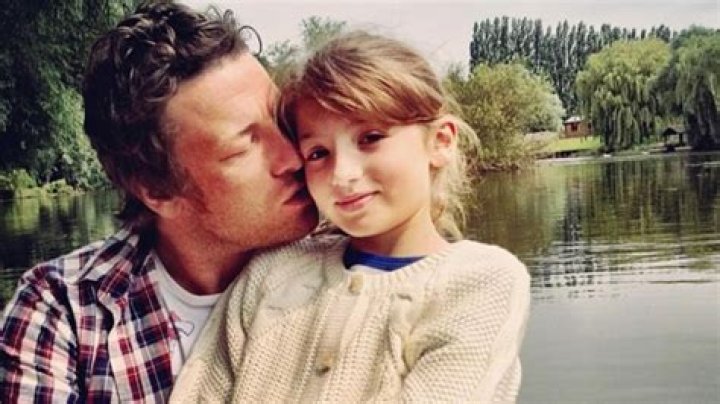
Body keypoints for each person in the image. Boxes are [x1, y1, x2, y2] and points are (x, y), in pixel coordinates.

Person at [170, 31, 531, 403]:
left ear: (441, 142)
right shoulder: (270, 272)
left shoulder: (482, 282)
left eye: (370, 138)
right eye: (318, 153)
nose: (342, 175)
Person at [0, 1, 317, 402]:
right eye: (242, 149)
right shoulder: (62, 311)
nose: (294, 157)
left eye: (282, 119)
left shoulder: (360, 260)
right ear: (157, 190)